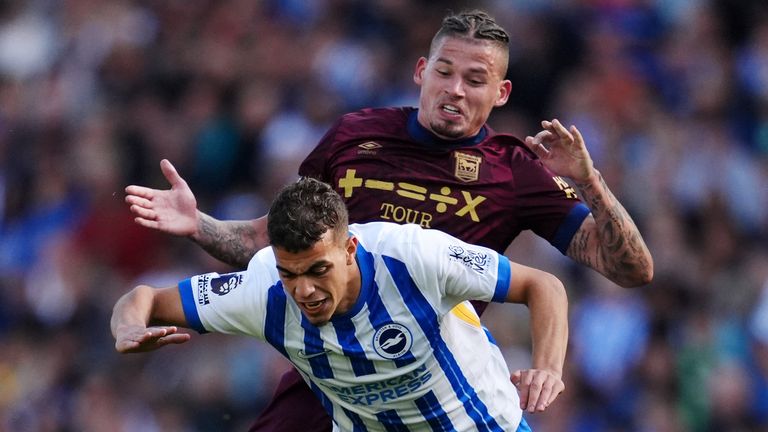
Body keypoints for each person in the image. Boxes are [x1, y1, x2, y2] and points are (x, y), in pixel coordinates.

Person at [124, 9, 653, 432]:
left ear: (502, 92)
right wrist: (201, 225)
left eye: (475, 79)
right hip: (330, 367)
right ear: (422, 72)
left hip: (428, 369)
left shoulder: (515, 171)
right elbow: (274, 244)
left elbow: (629, 269)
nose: (455, 90)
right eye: (444, 72)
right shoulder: (355, 134)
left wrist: (590, 181)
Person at [112, 177, 568, 431]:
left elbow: (543, 285)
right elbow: (144, 299)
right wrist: (128, 328)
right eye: (290, 273)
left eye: (317, 271)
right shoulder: (263, 290)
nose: (303, 290)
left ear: (350, 249)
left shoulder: (414, 257)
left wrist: (547, 367)